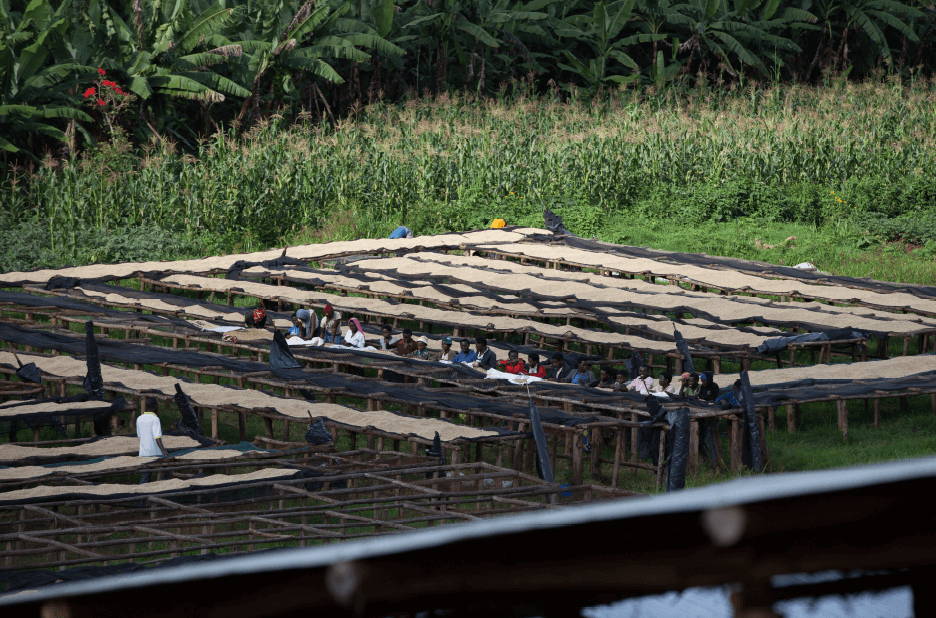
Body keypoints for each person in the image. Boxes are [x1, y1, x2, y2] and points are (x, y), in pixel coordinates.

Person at [137, 397, 168, 484]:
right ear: (155, 406)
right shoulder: (155, 419)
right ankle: (164, 488)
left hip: (143, 453)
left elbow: (140, 435)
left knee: (146, 475)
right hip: (155, 453)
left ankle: (141, 494)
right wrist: (163, 451)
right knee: (165, 470)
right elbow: (157, 437)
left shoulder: (139, 418)